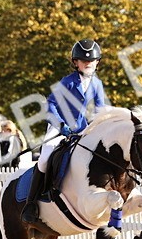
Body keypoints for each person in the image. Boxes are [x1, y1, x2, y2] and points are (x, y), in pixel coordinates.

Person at [23, 40, 109, 226]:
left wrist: (98, 127)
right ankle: (31, 204)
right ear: (75, 63)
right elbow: (51, 105)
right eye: (83, 61)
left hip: (80, 128)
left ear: (97, 62)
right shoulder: (67, 82)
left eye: (92, 61)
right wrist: (61, 125)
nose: (88, 63)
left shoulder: (97, 84)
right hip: (59, 126)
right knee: (45, 158)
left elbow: (100, 110)